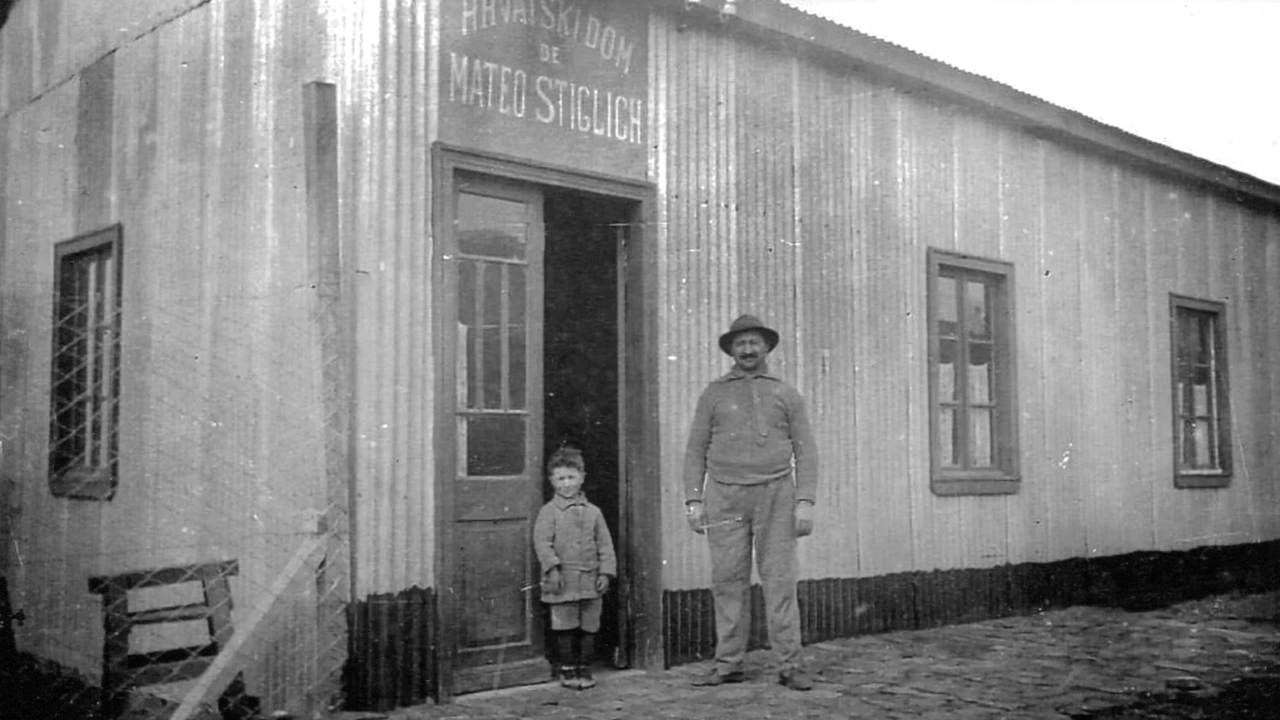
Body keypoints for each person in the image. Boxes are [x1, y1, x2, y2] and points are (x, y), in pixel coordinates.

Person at [683, 314, 818, 691]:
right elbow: (695, 450)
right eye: (740, 344)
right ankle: (728, 664)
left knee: (780, 582)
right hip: (723, 497)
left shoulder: (785, 393)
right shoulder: (714, 393)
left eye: (753, 343)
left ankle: (790, 665)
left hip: (776, 494)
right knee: (727, 580)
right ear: (731, 350)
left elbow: (806, 451)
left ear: (766, 347)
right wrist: (694, 501)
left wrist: (805, 501)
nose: (747, 349)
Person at [534, 445, 617, 690]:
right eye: (560, 478)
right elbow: (542, 543)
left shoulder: (594, 513)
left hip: (591, 579)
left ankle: (585, 667)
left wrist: (606, 573)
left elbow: (605, 545)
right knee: (565, 625)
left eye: (571, 477)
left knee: (590, 625)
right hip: (562, 580)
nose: (567, 484)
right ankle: (567, 669)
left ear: (582, 478)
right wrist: (553, 569)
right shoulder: (548, 513)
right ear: (552, 481)